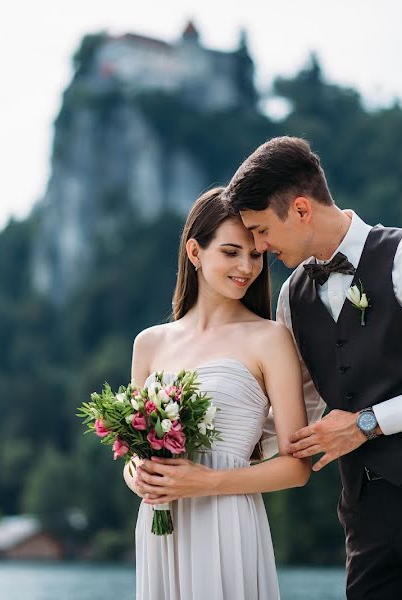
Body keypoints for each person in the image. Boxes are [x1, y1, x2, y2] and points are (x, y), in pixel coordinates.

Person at [223, 137, 402, 599]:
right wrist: (206, 457)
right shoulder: (291, 298)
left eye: (261, 230)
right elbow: (294, 410)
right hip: (364, 515)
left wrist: (368, 423)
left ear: (301, 209)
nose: (258, 248)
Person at [125, 187, 310, 599]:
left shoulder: (271, 339)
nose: (247, 266)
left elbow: (297, 468)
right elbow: (135, 450)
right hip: (161, 526)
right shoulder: (149, 344)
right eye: (230, 252)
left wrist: (206, 481)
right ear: (195, 252)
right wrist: (137, 475)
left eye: (256, 254)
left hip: (228, 522)